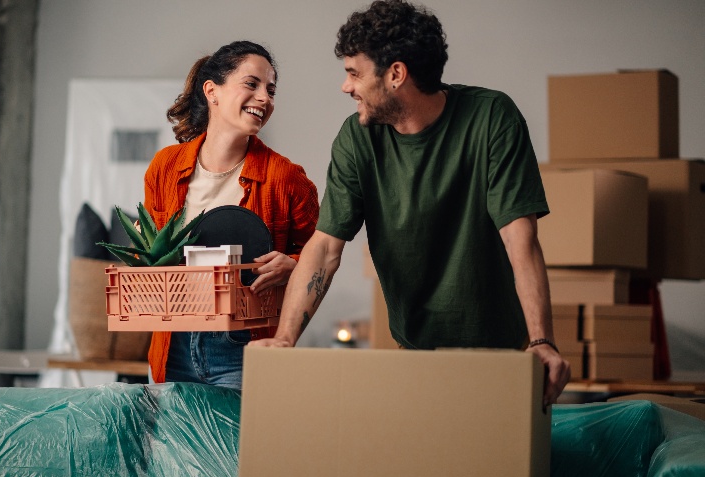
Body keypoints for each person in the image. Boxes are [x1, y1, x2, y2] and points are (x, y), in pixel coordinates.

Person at [250, 0, 570, 405]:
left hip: (501, 356)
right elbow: (326, 247)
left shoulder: (492, 118)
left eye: (354, 73)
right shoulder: (357, 138)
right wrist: (283, 340)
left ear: (396, 74)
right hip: (415, 353)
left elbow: (519, 238)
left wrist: (543, 340)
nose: (346, 86)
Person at [144, 41, 319, 389]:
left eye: (270, 90)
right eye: (251, 84)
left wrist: (294, 264)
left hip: (243, 348)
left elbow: (322, 254)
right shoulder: (164, 167)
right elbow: (152, 254)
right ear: (213, 91)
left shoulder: (286, 178)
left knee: (240, 445)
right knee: (175, 445)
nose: (265, 98)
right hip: (172, 343)